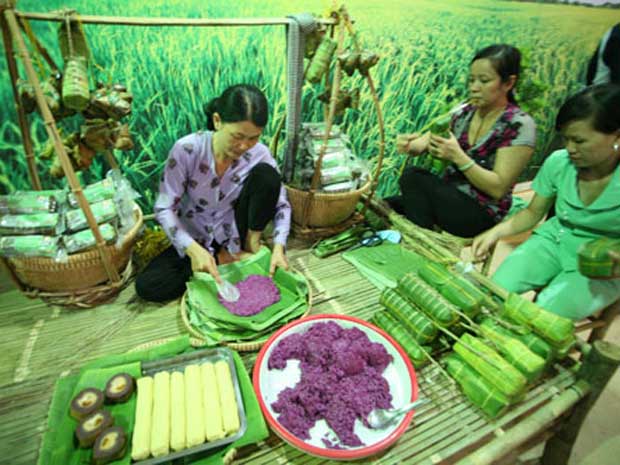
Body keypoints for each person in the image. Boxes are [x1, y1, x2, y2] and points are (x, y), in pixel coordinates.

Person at [472, 84, 620, 320]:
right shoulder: (560, 163)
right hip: (554, 240)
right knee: (493, 293)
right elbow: (532, 213)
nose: (570, 148)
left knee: (543, 318)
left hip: (600, 266)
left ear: (616, 135)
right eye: (566, 139)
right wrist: (495, 232)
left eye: (579, 141)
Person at [135, 84, 291, 302]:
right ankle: (222, 259)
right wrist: (192, 250)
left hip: (235, 231)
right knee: (149, 286)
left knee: (268, 176)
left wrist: (279, 247)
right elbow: (164, 207)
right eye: (237, 136)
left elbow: (281, 204)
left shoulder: (259, 153)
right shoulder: (187, 150)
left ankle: (247, 246)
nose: (245, 146)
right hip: (195, 235)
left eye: (253, 137)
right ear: (217, 121)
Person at [387, 44, 536, 237]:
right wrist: (409, 145)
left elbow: (498, 189)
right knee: (386, 205)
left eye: (484, 81)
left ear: (508, 83)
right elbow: (423, 143)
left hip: (481, 212)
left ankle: (421, 243)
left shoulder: (519, 125)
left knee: (413, 176)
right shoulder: (464, 112)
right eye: (471, 80)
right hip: (448, 199)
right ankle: (422, 237)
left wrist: (458, 157)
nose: (474, 88)